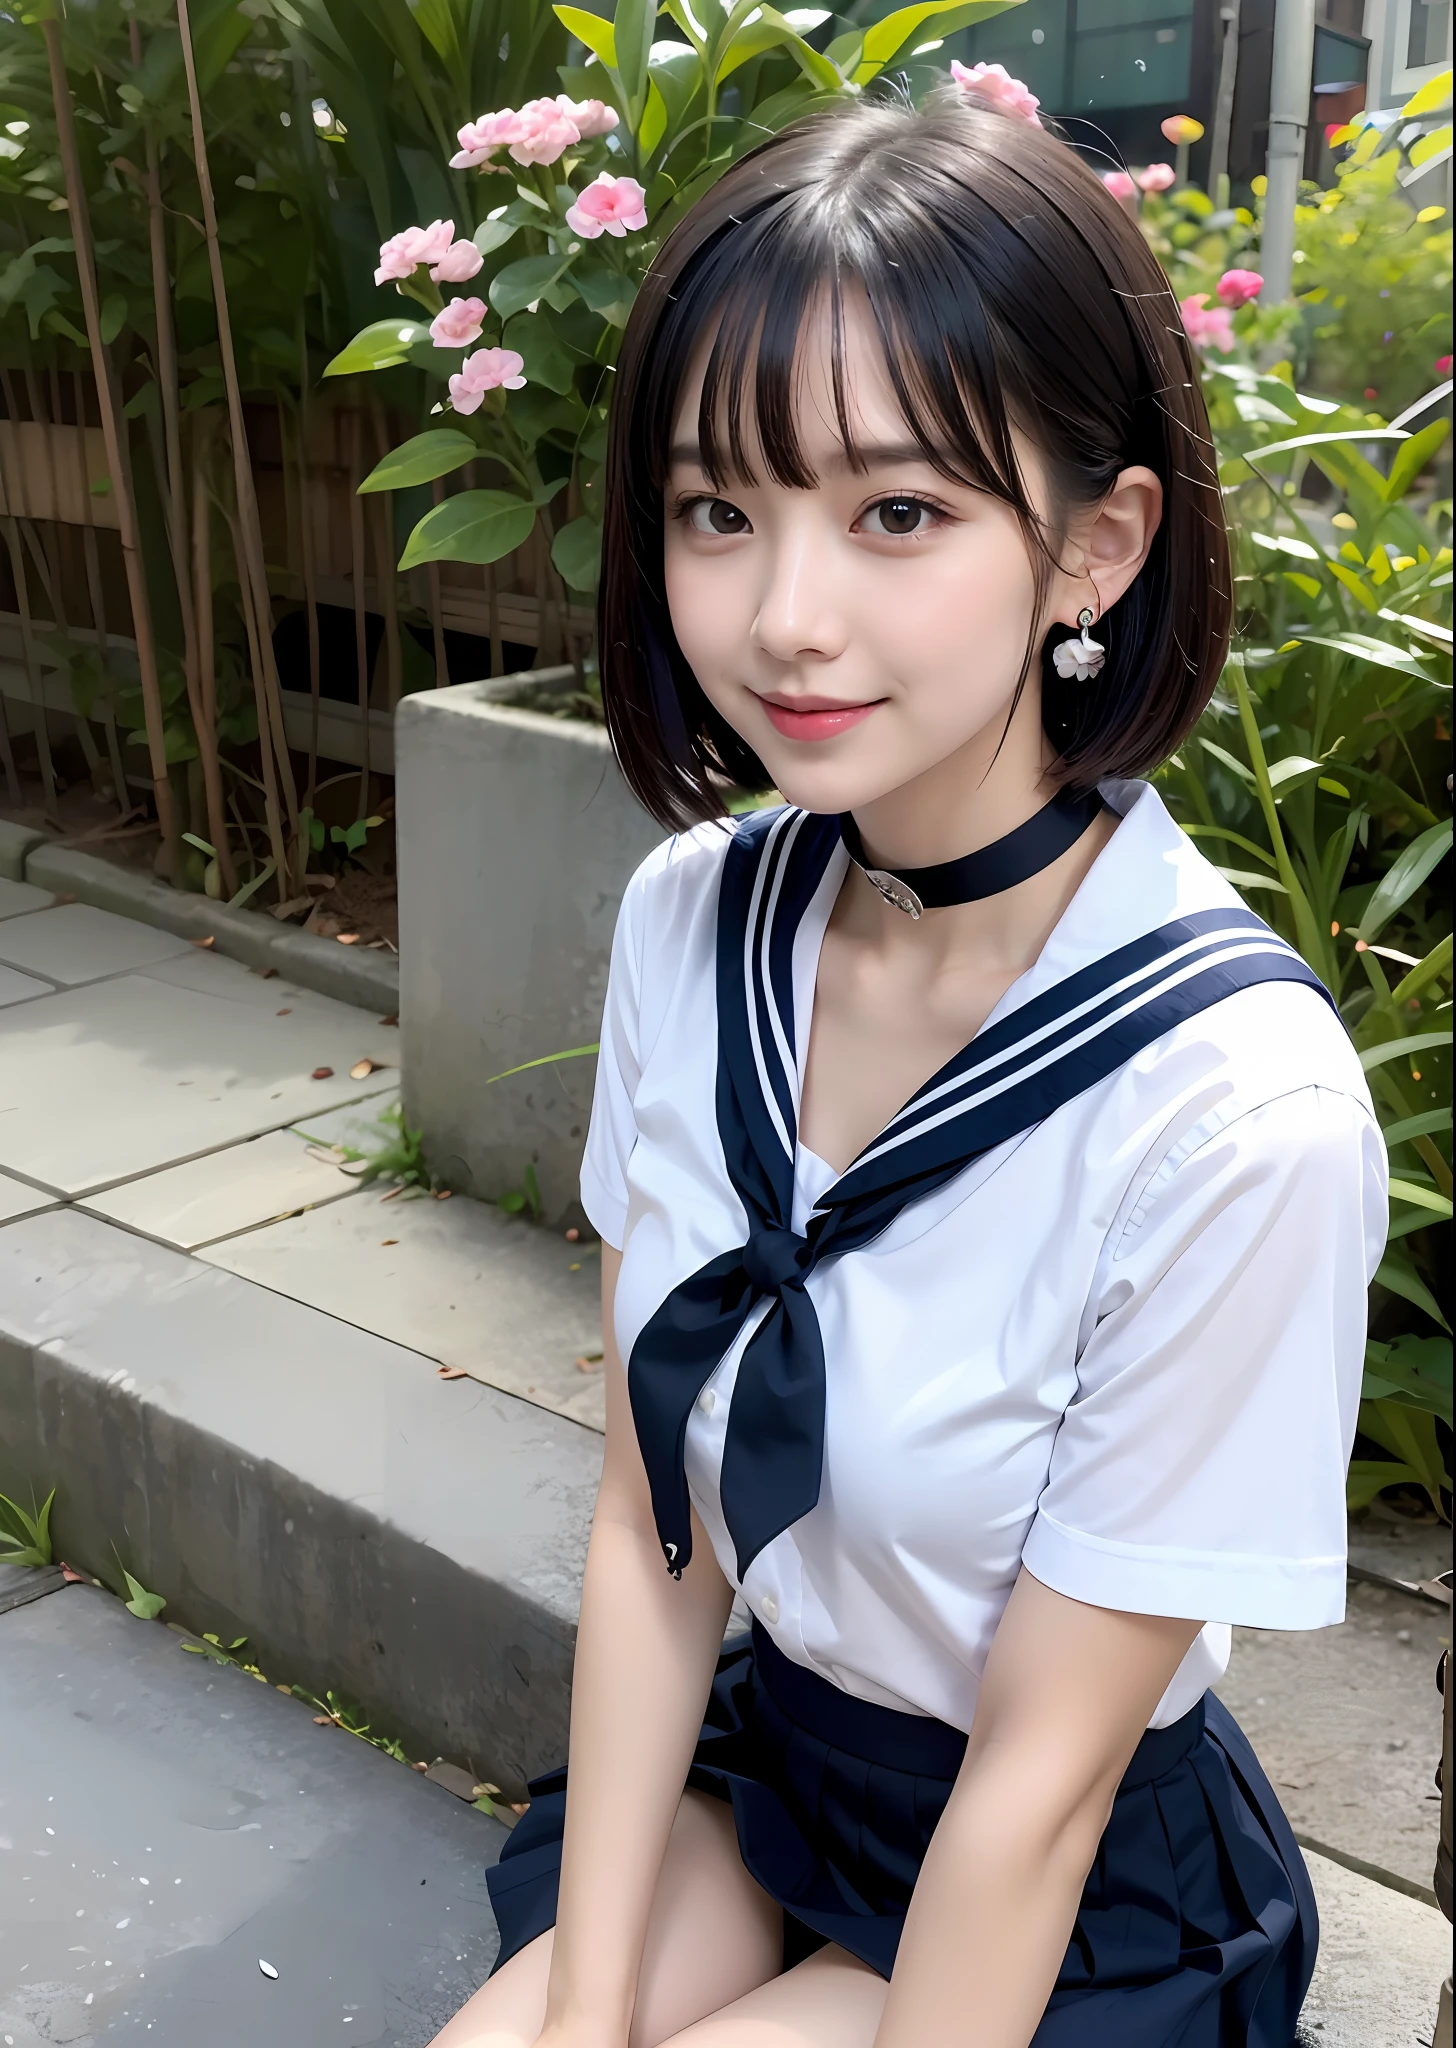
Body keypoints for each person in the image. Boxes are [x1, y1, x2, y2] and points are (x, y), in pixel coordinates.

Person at [430, 79, 1388, 2048]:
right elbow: (648, 1522)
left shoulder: (1226, 1111)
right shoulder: (697, 922)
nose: (782, 617)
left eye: (894, 511)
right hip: (771, 1760)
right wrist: (586, 2017)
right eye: (717, 508)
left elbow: (1032, 1800)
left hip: (1062, 1884)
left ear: (1092, 545)